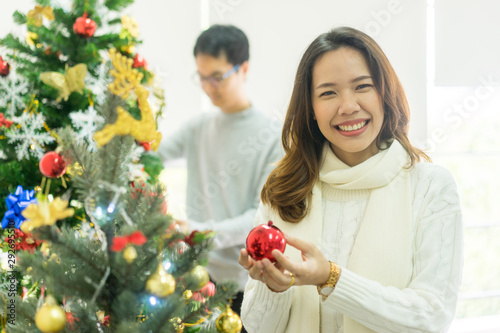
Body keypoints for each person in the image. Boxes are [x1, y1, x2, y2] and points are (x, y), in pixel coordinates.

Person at [238, 26, 463, 333]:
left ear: (385, 93)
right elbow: (257, 327)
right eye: (328, 92)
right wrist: (274, 288)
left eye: (362, 86)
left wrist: (331, 279)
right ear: (311, 110)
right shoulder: (286, 187)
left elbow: (431, 316)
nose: (348, 106)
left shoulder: (431, 187)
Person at [157, 24, 282, 320]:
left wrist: (200, 233)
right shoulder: (197, 127)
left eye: (218, 77)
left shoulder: (271, 137)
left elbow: (259, 217)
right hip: (195, 276)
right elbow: (149, 154)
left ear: (244, 69)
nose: (208, 86)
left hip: (243, 282)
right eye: (201, 77)